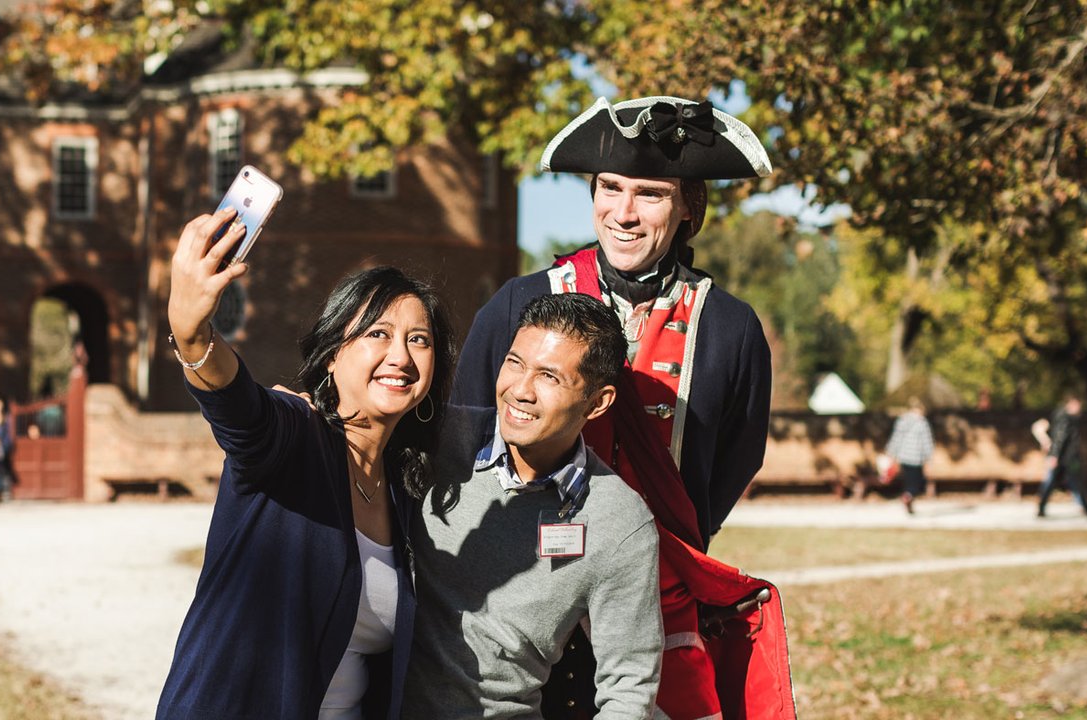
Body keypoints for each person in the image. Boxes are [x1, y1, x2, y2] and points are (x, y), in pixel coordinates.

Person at [452, 96, 794, 719]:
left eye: (652, 193)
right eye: (609, 187)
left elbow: (733, 462)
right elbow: (465, 436)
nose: (624, 212)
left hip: (656, 598)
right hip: (516, 594)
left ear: (690, 207)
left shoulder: (732, 327)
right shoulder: (518, 302)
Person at [156, 207, 455, 720]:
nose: (401, 356)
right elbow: (240, 410)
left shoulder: (406, 491)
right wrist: (193, 335)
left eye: (419, 339)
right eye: (377, 334)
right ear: (333, 354)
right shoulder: (296, 435)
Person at [403, 293, 662, 718]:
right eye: (515, 363)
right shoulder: (436, 439)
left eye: (549, 377)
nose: (520, 390)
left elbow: (630, 687)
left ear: (598, 403)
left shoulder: (620, 521)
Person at [1037, 394, 1087, 519]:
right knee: (1073, 483)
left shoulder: (1063, 417)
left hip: (1064, 458)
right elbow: (1060, 439)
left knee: (1062, 483)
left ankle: (1041, 508)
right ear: (1071, 404)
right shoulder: (1065, 419)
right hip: (1067, 459)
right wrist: (1054, 456)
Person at [885, 397, 935, 515]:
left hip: (904, 456)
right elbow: (926, 441)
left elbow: (896, 438)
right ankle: (908, 496)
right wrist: (929, 456)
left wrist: (892, 452)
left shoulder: (902, 421)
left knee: (908, 480)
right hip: (916, 457)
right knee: (918, 482)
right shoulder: (922, 423)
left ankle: (908, 498)